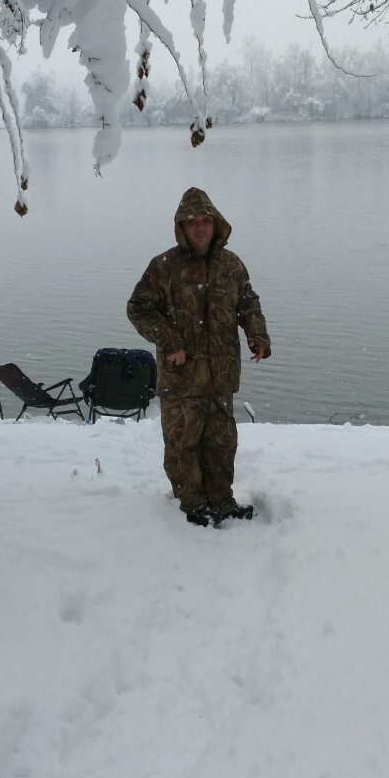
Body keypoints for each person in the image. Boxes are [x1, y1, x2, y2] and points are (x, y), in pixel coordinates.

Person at [127, 187, 271, 527]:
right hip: (182, 379)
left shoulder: (231, 265)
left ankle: (221, 503)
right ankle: (192, 508)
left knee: (222, 444)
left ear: (215, 222)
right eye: (192, 222)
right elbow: (138, 308)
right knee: (182, 447)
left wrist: (258, 335)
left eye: (205, 220)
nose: (200, 227)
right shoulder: (164, 267)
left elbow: (248, 303)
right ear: (182, 227)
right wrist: (170, 342)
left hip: (221, 377)